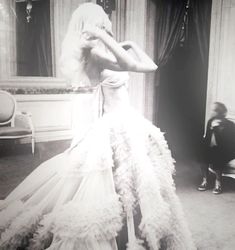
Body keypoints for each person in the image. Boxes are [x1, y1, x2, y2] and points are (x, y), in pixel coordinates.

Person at [0, 3, 195, 250]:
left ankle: (131, 232)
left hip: (126, 121)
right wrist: (107, 38)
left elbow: (151, 66)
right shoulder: (91, 51)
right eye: (102, 22)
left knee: (130, 183)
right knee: (108, 184)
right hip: (114, 124)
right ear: (91, 25)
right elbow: (133, 66)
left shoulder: (100, 51)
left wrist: (130, 44)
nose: (107, 25)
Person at [198, 102, 235, 194]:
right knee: (203, 154)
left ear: (219, 112)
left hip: (226, 150)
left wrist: (216, 129)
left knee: (218, 154)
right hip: (213, 148)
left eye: (213, 110)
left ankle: (218, 182)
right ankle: (205, 180)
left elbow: (225, 143)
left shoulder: (229, 124)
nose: (211, 112)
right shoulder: (210, 121)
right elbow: (207, 139)